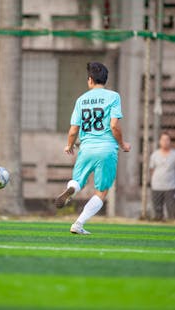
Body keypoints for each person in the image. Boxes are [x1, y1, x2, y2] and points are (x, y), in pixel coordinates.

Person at [55, 62, 131, 234]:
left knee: (78, 180)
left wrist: (69, 145)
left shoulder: (81, 100)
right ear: (105, 79)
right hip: (106, 149)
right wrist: (123, 144)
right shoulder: (113, 97)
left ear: (90, 80)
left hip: (86, 148)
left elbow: (74, 129)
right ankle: (78, 224)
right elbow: (114, 126)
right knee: (102, 191)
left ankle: (73, 187)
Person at [149, 132, 175, 221]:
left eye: (167, 140)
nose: (165, 142)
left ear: (170, 141)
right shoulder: (155, 155)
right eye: (163, 140)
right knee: (158, 212)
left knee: (172, 212)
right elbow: (151, 170)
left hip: (170, 187)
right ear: (160, 141)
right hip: (157, 187)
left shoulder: (173, 155)